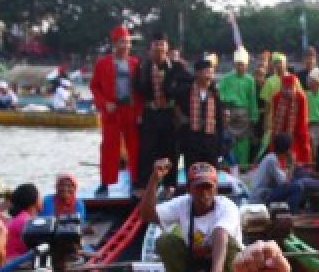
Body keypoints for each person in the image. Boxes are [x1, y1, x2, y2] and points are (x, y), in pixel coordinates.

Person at [140, 161, 241, 272]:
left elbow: (220, 233)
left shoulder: (228, 207)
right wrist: (154, 180)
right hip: (198, 263)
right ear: (188, 189)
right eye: (199, 188)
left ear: (216, 188)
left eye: (208, 187)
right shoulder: (181, 204)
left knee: (230, 243)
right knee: (165, 241)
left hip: (225, 265)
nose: (204, 193)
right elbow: (147, 216)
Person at [134, 30, 189, 190]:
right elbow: (136, 88)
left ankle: (169, 184)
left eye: (162, 45)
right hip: (150, 112)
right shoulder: (143, 66)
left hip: (169, 113)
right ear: (151, 47)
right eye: (156, 44)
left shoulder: (177, 66)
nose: (159, 48)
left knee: (170, 149)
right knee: (147, 149)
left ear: (167, 47)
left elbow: (188, 84)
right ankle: (145, 185)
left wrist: (174, 92)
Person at [90, 25, 141, 196]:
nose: (125, 45)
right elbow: (95, 87)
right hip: (112, 111)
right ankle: (105, 182)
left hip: (131, 110)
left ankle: (135, 180)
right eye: (122, 42)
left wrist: (140, 112)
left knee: (134, 146)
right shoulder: (103, 63)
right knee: (109, 146)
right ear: (114, 43)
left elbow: (141, 90)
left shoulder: (135, 63)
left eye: (127, 42)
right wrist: (104, 103)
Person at [218, 46, 259, 173]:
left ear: (246, 65)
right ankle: (228, 169)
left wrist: (254, 116)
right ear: (235, 64)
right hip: (229, 112)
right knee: (228, 142)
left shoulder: (250, 80)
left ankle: (243, 167)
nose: (241, 67)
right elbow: (220, 94)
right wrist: (228, 99)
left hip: (244, 114)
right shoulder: (226, 78)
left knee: (244, 142)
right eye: (238, 64)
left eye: (243, 65)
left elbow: (252, 99)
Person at [179, 58, 224, 172]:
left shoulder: (214, 92)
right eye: (207, 72)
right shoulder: (186, 91)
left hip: (210, 139)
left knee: (210, 173)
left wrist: (219, 144)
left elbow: (219, 120)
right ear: (197, 73)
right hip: (192, 139)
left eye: (211, 72)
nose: (210, 76)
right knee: (192, 172)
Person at [251, 133, 303, 210]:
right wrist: (292, 164)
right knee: (297, 186)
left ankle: (290, 209)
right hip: (261, 196)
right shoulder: (272, 160)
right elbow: (285, 183)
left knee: (297, 180)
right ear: (287, 149)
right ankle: (290, 213)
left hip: (265, 192)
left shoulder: (271, 157)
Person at [270, 74, 311, 165]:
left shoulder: (301, 98)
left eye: (290, 88)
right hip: (280, 132)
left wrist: (297, 135)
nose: (288, 90)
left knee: (298, 154)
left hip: (296, 132)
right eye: (285, 88)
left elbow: (303, 119)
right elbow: (275, 118)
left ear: (295, 86)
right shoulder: (276, 97)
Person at [258, 53, 289, 159]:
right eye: (276, 63)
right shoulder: (270, 81)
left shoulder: (293, 79)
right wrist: (266, 122)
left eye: (281, 63)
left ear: (285, 64)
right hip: (273, 119)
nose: (279, 65)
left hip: (288, 119)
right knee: (268, 143)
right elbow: (267, 104)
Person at [4, 184, 41, 258]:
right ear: (35, 200)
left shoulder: (18, 218)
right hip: (15, 263)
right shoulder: (26, 221)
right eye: (40, 197)